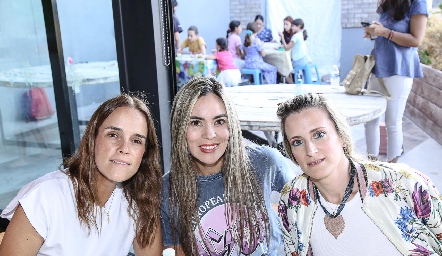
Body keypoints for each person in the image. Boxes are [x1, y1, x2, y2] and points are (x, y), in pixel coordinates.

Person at [276, 93, 442, 255]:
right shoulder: (292, 200)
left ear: (341, 136)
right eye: (297, 142)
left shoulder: (404, 183)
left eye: (319, 134)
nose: (310, 150)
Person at [0, 94, 163, 255]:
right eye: (113, 135)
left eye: (136, 141)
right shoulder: (45, 197)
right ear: (92, 139)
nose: (124, 148)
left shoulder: (141, 200)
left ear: (144, 153)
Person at [160, 77, 300, 255]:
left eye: (219, 121)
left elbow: (304, 206)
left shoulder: (264, 162)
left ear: (231, 124)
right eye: (195, 122)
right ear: (179, 128)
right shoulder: (167, 191)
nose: (209, 134)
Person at [363, 0, 428, 163]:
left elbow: (416, 40)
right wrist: (374, 31)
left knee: (392, 122)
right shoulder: (389, 4)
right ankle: (371, 167)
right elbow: (386, 31)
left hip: (399, 69)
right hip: (379, 67)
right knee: (370, 120)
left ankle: (392, 173)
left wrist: (384, 32)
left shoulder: (417, 2)